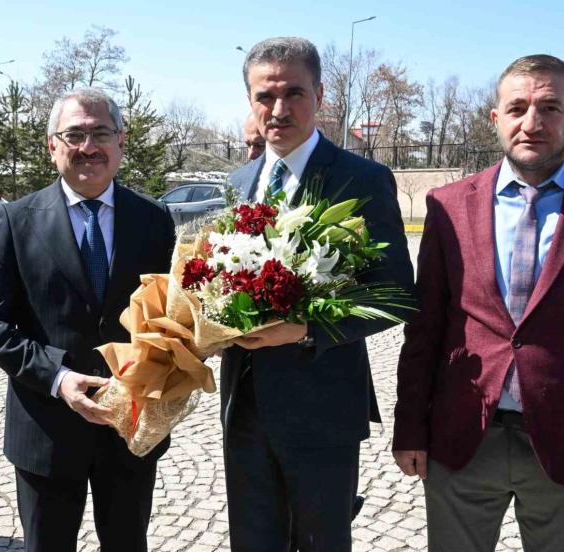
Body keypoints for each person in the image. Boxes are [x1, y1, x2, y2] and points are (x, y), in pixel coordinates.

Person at [392, 54, 564, 552]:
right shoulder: (448, 205)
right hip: (463, 439)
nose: (532, 122)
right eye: (517, 108)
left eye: (550, 107)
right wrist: (410, 426)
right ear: (496, 117)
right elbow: (424, 328)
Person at [221, 37, 414, 551]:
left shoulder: (362, 178)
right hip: (244, 408)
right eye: (265, 96)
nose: (278, 110)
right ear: (249, 100)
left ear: (320, 95)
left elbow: (395, 294)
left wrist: (306, 329)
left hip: (323, 409)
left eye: (294, 93)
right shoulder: (238, 182)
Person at [0, 88, 175, 552]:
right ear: (52, 145)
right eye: (74, 134)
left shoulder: (154, 219)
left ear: (121, 141)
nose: (88, 146)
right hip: (47, 431)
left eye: (101, 133)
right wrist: (58, 378)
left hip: (130, 429)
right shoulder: (16, 221)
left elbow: (169, 317)